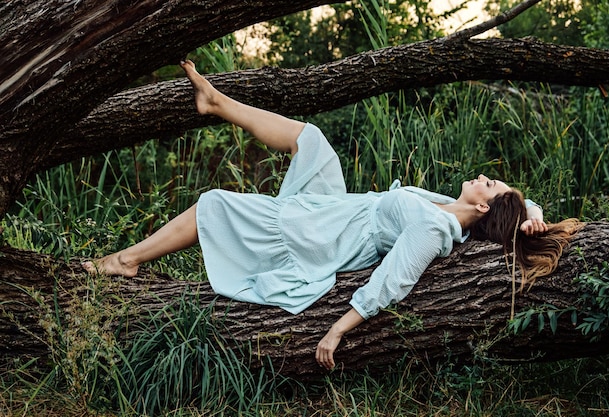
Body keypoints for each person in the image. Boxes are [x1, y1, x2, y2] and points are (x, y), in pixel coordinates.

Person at [83, 60, 580, 370]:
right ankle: (216, 102)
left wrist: (337, 330)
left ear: (482, 205)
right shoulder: (453, 207)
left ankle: (128, 259)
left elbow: (394, 279)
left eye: (489, 184)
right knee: (313, 140)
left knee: (215, 202)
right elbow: (517, 208)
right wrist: (533, 214)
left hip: (326, 233)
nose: (482, 176)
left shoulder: (436, 226)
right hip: (346, 208)